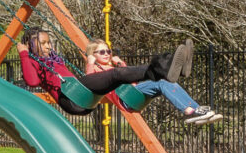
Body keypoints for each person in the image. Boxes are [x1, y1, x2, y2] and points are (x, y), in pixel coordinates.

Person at [17, 27, 192, 116]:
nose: (49, 46)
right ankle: (165, 67)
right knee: (116, 75)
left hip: (82, 96)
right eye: (43, 43)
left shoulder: (53, 59)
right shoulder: (31, 61)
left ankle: (169, 70)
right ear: (30, 45)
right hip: (71, 97)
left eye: (49, 42)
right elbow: (32, 81)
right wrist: (24, 54)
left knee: (118, 76)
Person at [85, 39, 223, 125]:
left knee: (167, 81)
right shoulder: (96, 69)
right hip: (126, 98)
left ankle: (196, 110)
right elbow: (89, 83)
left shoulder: (113, 67)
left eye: (108, 51)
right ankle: (174, 71)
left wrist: (121, 63)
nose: (106, 54)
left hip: (136, 94)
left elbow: (130, 78)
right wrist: (90, 63)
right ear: (93, 55)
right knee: (160, 79)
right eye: (101, 52)